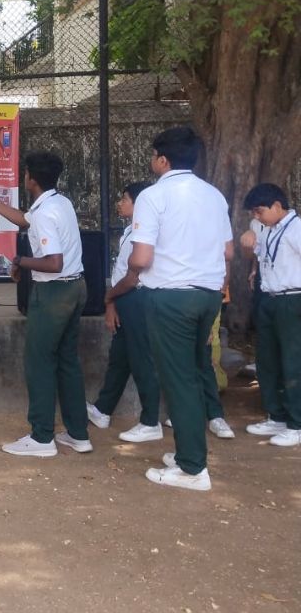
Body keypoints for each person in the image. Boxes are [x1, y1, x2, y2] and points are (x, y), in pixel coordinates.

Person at [129, 127, 233, 492]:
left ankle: (192, 468)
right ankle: (188, 452)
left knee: (179, 380)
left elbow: (142, 257)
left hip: (171, 297)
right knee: (192, 371)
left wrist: (131, 268)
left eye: (153, 155)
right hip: (208, 296)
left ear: (162, 159)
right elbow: (228, 251)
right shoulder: (214, 195)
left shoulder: (153, 196)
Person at [0, 152, 91, 457]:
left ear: (31, 179)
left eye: (25, 172)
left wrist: (19, 260)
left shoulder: (44, 214)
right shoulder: (60, 203)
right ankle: (78, 434)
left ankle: (41, 437)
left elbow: (53, 263)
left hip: (53, 293)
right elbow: (23, 219)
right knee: (68, 361)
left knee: (39, 362)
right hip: (76, 287)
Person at [87, 182, 163, 442]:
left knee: (142, 360)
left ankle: (151, 421)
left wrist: (109, 297)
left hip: (137, 297)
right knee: (120, 357)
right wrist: (112, 303)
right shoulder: (130, 231)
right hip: (124, 298)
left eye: (125, 199)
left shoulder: (144, 234)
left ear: (139, 204)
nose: (120, 203)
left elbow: (133, 276)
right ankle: (103, 409)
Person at [240, 183, 301, 447]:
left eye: (259, 211)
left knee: (293, 361)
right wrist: (247, 244)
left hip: (292, 298)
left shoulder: (296, 228)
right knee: (267, 359)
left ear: (277, 206)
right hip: (268, 297)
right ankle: (276, 415)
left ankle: (297, 423)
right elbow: (256, 256)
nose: (257, 217)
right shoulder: (269, 230)